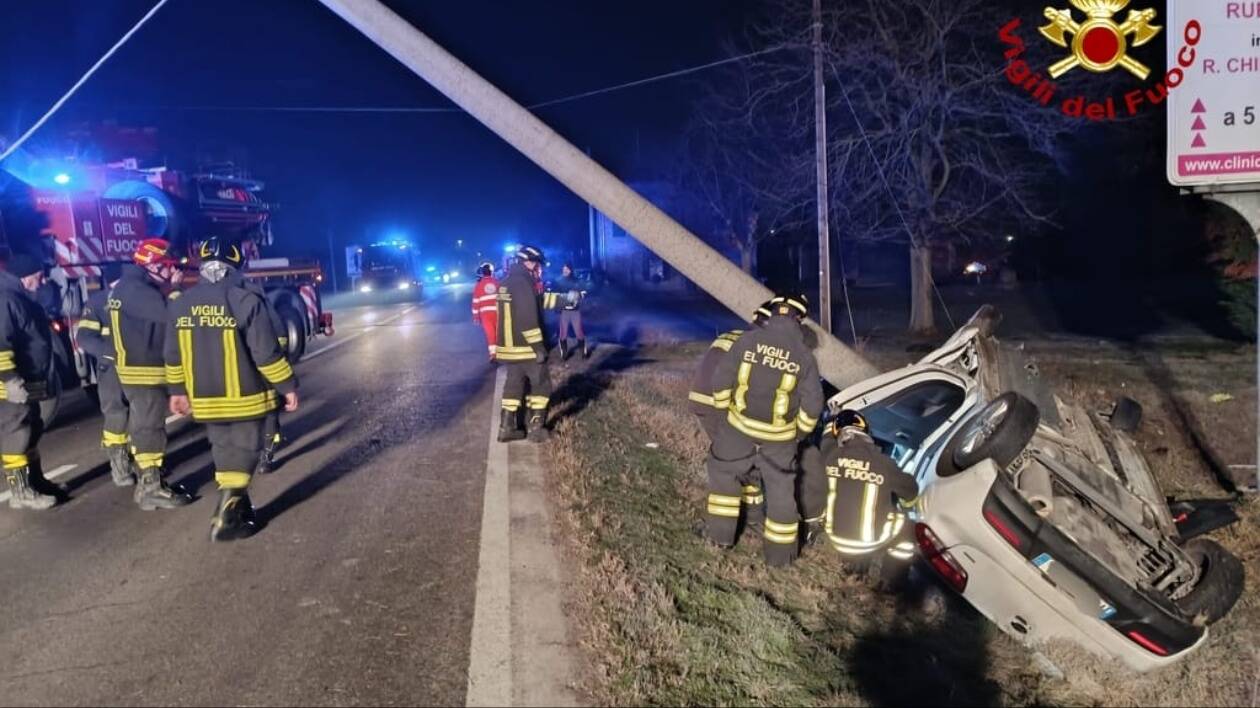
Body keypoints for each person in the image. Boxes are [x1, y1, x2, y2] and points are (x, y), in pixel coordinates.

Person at [166, 238, 299, 541]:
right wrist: (287, 386)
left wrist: (178, 391)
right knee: (246, 450)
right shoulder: (245, 300)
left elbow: (172, 355)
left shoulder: (180, 304)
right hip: (245, 397)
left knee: (224, 448)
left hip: (204, 398)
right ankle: (227, 512)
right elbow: (265, 354)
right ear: (234, 266)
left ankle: (240, 510)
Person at [705, 293, 823, 567]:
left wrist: (725, 415)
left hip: (737, 431)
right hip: (779, 441)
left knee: (724, 477)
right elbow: (813, 405)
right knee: (782, 492)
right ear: (799, 320)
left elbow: (721, 380)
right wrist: (798, 434)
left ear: (772, 314)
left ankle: (720, 538)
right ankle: (780, 558)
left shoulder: (746, 341)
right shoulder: (804, 356)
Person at [108, 239, 191, 511]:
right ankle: (151, 489)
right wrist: (176, 290)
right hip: (143, 375)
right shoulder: (138, 292)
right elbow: (173, 315)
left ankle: (150, 485)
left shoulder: (130, 287)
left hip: (138, 372)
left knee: (147, 428)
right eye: (167, 267)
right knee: (149, 430)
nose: (171, 273)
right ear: (152, 265)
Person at [800, 410, 918, 586]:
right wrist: (905, 505)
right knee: (909, 529)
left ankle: (854, 566)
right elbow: (911, 491)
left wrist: (831, 420)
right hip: (867, 542)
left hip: (837, 538)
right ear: (867, 433)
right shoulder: (884, 463)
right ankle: (891, 582)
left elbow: (827, 440)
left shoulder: (830, 456)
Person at [688, 301, 774, 528]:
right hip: (720, 407)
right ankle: (739, 522)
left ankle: (747, 517)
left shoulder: (731, 336)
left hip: (702, 401)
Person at [0, 254, 60, 509]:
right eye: (39, 275)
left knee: (31, 428)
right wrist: (10, 379)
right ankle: (20, 493)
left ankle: (36, 481)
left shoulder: (20, 297)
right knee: (16, 431)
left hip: (31, 377)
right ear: (26, 276)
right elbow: (1, 344)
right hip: (14, 382)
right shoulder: (6, 300)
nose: (43, 279)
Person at [495, 245, 562, 443]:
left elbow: (537, 302)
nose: (540, 269)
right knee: (541, 385)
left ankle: (507, 428)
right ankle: (536, 429)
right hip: (526, 348)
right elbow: (527, 317)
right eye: (538, 264)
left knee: (513, 386)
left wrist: (565, 300)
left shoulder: (507, 282)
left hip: (510, 349)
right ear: (530, 262)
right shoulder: (524, 283)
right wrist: (538, 347)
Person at [76, 263, 134, 487]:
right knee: (118, 415)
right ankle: (120, 466)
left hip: (134, 366)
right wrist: (112, 354)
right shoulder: (100, 302)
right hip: (113, 369)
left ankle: (145, 465)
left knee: (136, 415)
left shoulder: (136, 297)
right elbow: (86, 337)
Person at [553, 263, 589, 360]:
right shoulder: (558, 281)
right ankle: (564, 354)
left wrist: (578, 295)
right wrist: (557, 307)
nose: (565, 271)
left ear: (571, 270)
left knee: (579, 332)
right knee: (563, 333)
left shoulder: (577, 281)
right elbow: (554, 296)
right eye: (563, 269)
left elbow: (585, 292)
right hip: (564, 311)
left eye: (567, 269)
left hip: (575, 311)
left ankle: (583, 353)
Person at [471, 262, 499, 360]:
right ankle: (503, 352)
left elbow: (475, 302)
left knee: (490, 333)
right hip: (498, 312)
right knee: (499, 332)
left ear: (482, 273)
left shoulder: (478, 285)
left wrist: (475, 317)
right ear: (492, 272)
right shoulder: (497, 282)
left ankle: (493, 354)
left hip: (485, 314)